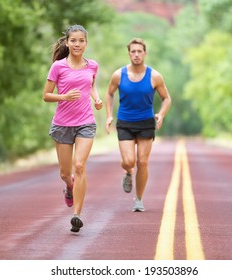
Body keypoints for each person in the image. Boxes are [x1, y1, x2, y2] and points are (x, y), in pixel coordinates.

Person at [43, 25, 103, 233]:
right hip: (62, 125)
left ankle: (76, 214)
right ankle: (69, 188)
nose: (77, 44)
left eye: (81, 41)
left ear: (86, 43)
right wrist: (64, 97)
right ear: (67, 43)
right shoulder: (58, 67)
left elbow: (92, 84)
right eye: (74, 41)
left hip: (86, 122)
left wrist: (96, 98)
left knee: (80, 166)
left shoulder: (92, 65)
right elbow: (46, 95)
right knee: (65, 174)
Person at [105, 38, 171, 212]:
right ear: (129, 53)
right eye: (133, 51)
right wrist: (109, 115)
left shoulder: (154, 76)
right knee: (129, 161)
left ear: (145, 53)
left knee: (142, 161)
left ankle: (138, 199)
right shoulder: (119, 75)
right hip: (125, 122)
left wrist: (161, 114)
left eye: (139, 51)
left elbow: (166, 99)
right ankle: (128, 172)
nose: (136, 54)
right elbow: (109, 94)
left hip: (146, 123)